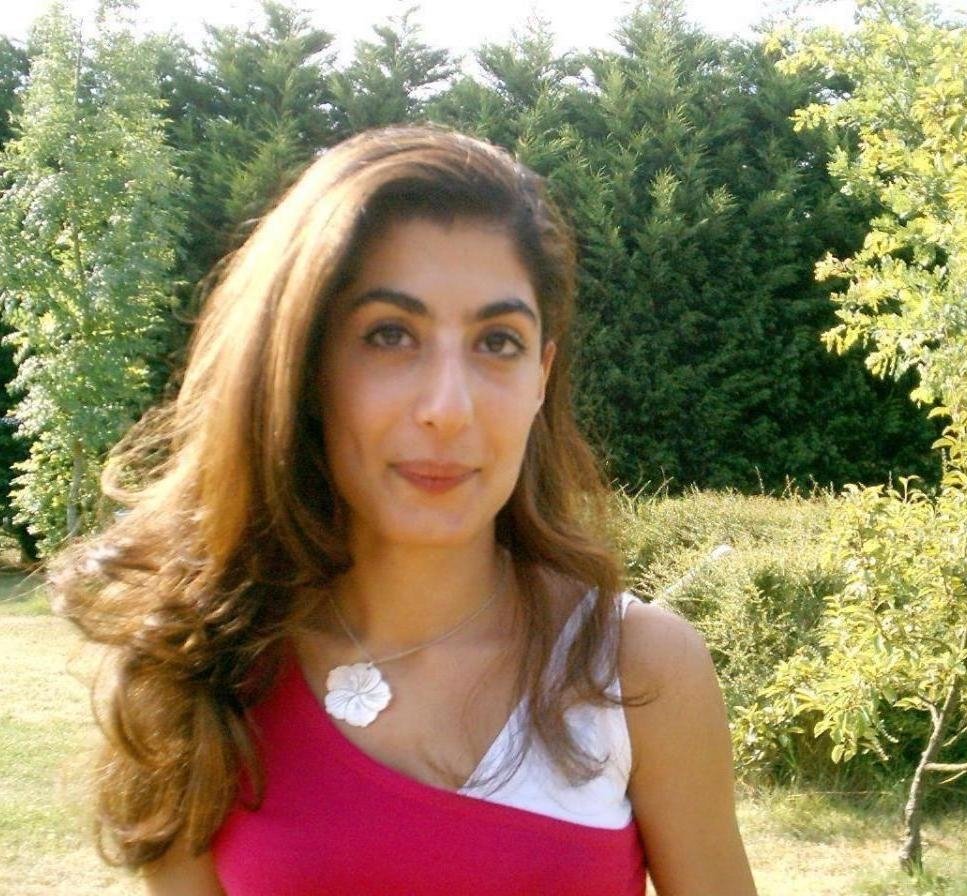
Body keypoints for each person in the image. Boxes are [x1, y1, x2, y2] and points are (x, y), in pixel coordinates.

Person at [50, 125, 757, 895]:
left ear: (541, 377)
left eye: (497, 342)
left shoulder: (635, 669)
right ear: (302, 364)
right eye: (389, 335)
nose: (448, 408)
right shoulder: (194, 667)